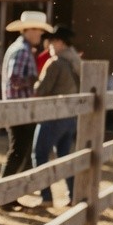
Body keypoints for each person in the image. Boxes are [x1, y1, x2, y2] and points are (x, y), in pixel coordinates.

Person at [0, 10, 53, 200]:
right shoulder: (22, 51)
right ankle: (5, 196)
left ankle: (9, 195)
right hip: (18, 109)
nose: (39, 34)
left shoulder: (22, 49)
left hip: (18, 108)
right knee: (18, 152)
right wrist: (35, 80)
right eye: (37, 30)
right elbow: (14, 79)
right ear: (28, 30)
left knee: (20, 152)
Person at [32, 26, 80, 206]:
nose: (49, 45)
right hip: (70, 117)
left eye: (52, 41)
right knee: (64, 156)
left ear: (59, 42)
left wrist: (34, 82)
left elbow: (42, 90)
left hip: (54, 115)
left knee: (40, 154)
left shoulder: (55, 63)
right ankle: (74, 194)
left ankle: (46, 197)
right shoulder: (74, 61)